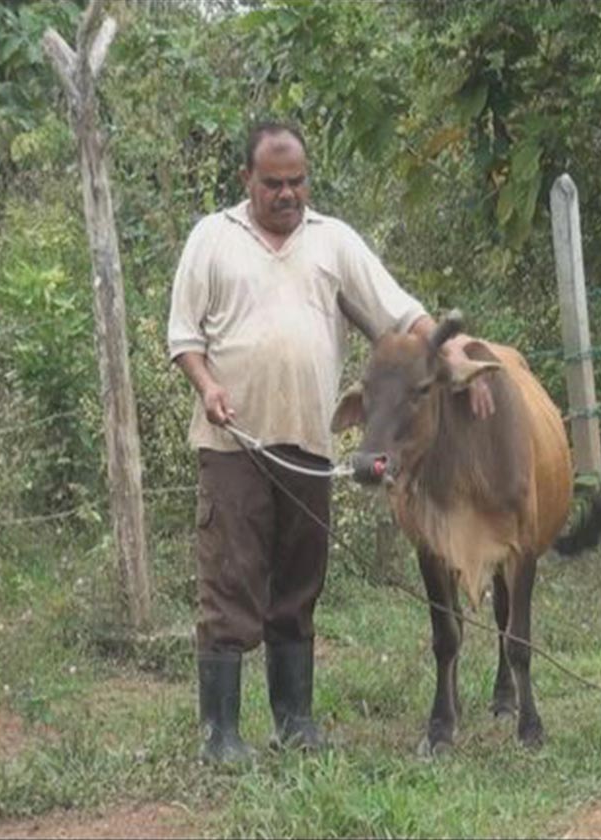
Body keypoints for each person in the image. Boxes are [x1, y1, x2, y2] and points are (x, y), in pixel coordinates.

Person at [167, 121, 493, 764]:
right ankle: (221, 735)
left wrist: (454, 347)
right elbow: (184, 339)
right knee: (231, 582)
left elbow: (401, 313)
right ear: (246, 181)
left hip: (310, 446)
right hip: (234, 443)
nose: (287, 195)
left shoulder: (333, 242)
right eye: (273, 184)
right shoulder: (212, 238)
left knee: (297, 582)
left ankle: (295, 722)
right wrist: (206, 387)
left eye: (297, 182)